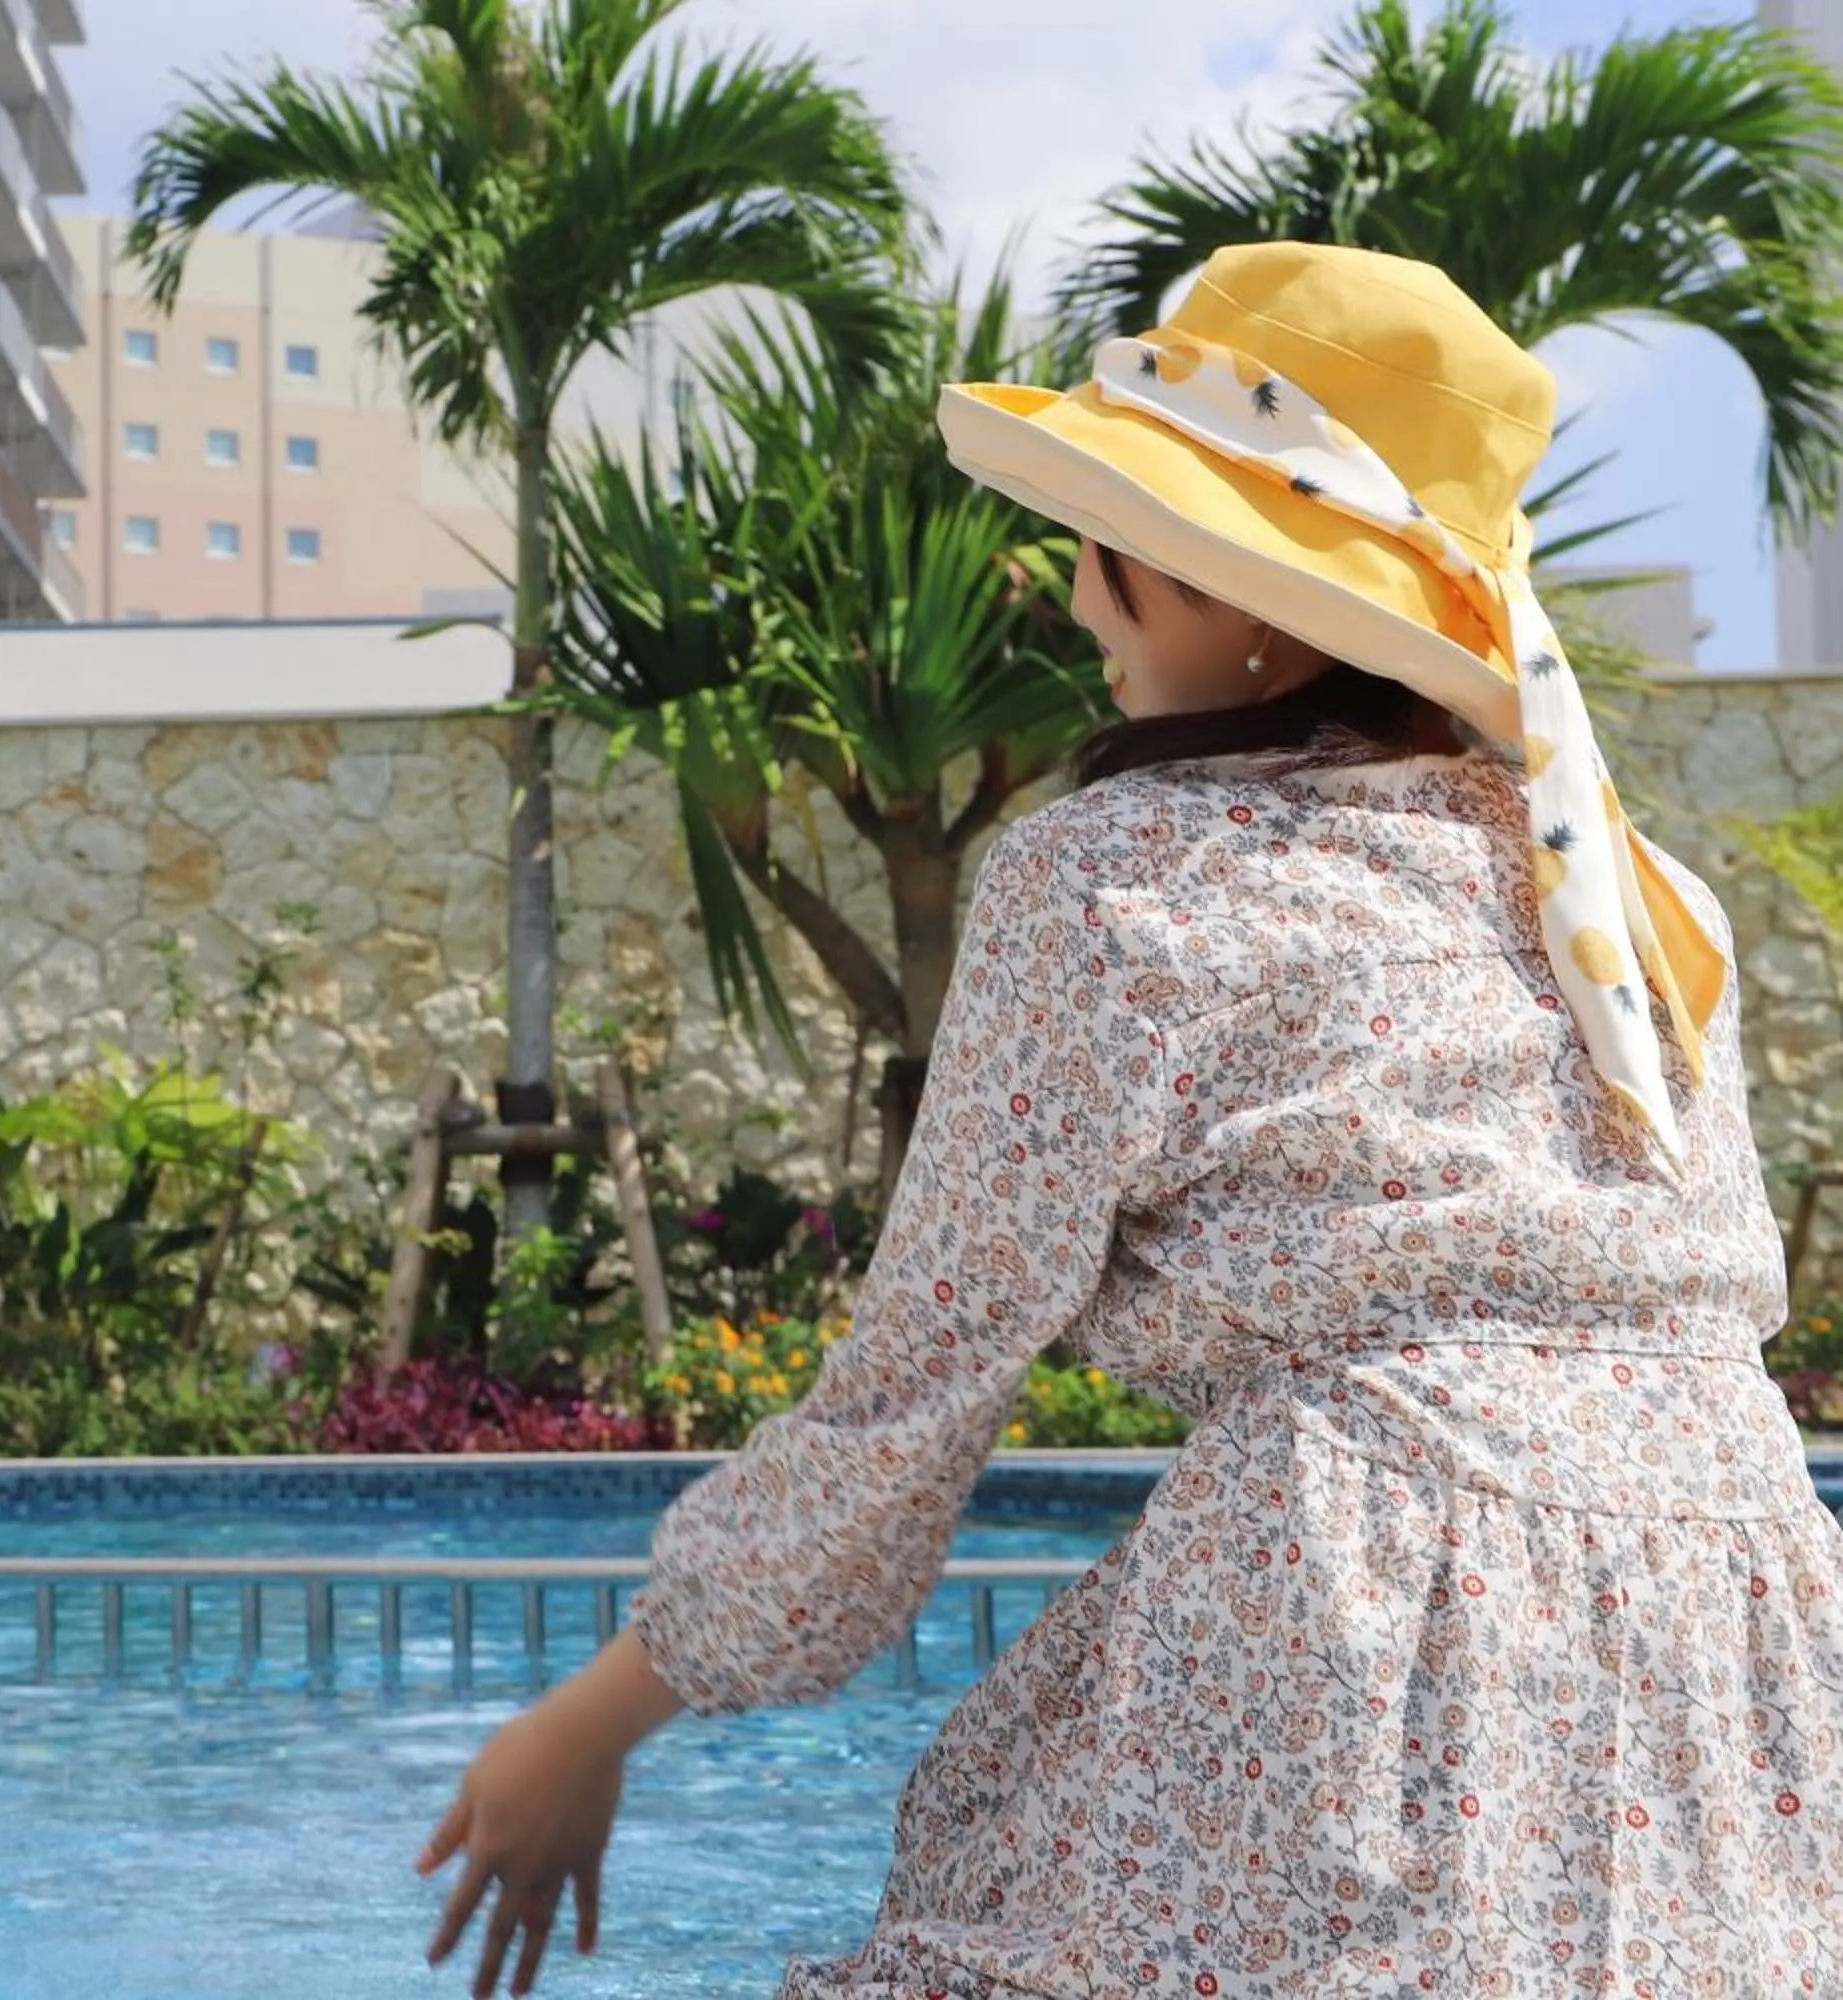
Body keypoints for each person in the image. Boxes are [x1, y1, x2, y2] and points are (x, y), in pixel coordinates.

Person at [417, 242, 1843, 1997]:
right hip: (1745, 1627)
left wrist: (598, 1718)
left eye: (1109, 548)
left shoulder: (1116, 885)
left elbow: (918, 1391)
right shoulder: (1631, 901)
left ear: (1231, 590)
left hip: (1388, 1607)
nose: (1074, 602)